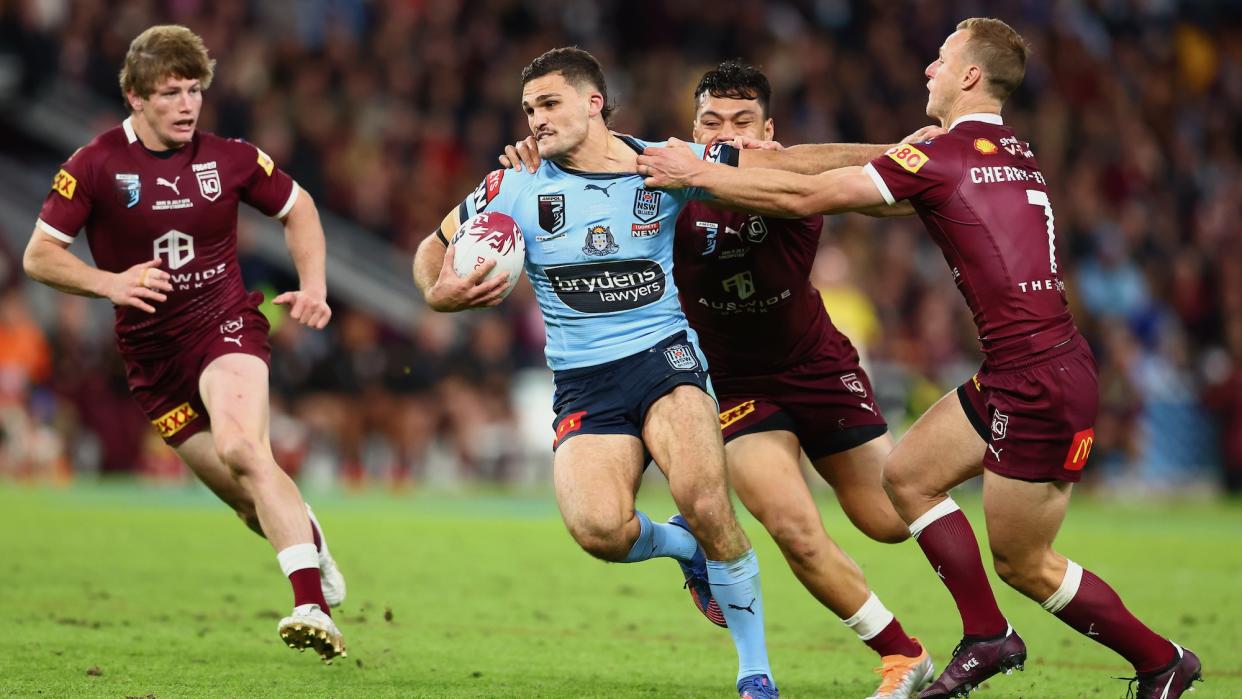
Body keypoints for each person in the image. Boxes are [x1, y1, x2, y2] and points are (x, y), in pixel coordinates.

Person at [636, 18, 1201, 699]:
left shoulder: (944, 156)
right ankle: (978, 637)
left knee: (1025, 562)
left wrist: (700, 170)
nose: (927, 70)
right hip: (1014, 369)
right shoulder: (1009, 146)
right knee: (906, 480)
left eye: (940, 60)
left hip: (1037, 380)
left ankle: (1161, 660)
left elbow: (811, 190)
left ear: (968, 76)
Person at [501, 59, 936, 699]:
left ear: (768, 129)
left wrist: (913, 155)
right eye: (710, 121)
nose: (723, 133)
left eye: (741, 122)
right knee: (792, 527)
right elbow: (589, 193)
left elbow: (879, 190)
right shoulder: (666, 179)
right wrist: (532, 169)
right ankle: (901, 654)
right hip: (729, 383)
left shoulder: (779, 173)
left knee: (889, 519)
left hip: (816, 365)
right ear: (692, 127)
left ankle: (974, 457)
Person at [413, 46, 779, 698]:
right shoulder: (513, 184)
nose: (536, 121)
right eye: (528, 109)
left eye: (550, 104)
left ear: (594, 102)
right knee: (600, 530)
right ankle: (685, 550)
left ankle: (756, 672)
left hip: (665, 358)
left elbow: (782, 165)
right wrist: (441, 294)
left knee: (703, 496)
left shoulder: (660, 164)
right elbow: (429, 254)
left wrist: (898, 157)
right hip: (584, 379)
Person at [23, 25, 347, 662]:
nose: (186, 104)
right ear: (134, 98)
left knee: (243, 447)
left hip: (224, 323)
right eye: (170, 93)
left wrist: (314, 285)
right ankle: (310, 540)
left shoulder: (229, 158)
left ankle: (310, 603)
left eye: (194, 90)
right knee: (246, 498)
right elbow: (39, 256)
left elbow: (300, 207)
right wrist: (108, 283)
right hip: (151, 361)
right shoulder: (93, 166)